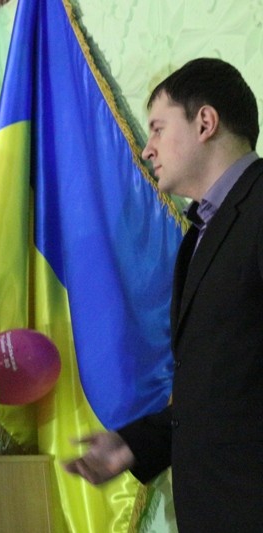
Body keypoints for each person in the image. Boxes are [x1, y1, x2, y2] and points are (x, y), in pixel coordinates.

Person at [63, 58, 263, 532]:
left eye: (157, 128)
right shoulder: (200, 234)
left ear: (205, 123)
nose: (146, 149)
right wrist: (135, 444)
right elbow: (223, 385)